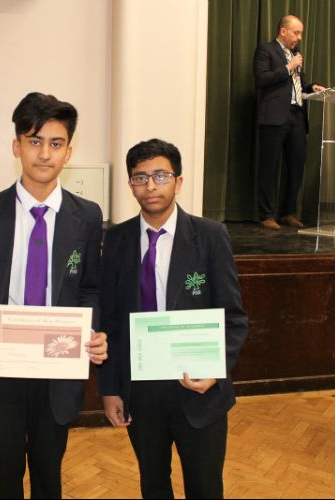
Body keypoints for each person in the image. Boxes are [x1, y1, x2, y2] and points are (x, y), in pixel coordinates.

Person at [0, 92, 108, 499]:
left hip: (57, 364)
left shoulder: (87, 216)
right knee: (4, 478)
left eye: (55, 143)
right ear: (16, 146)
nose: (44, 153)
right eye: (34, 141)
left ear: (68, 152)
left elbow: (90, 287)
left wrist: (92, 330)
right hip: (0, 364)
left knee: (48, 476)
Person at [98, 138, 248, 499]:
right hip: (141, 391)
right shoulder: (115, 241)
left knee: (205, 487)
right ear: (130, 184)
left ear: (178, 181)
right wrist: (110, 388)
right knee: (153, 485)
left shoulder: (210, 236)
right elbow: (110, 322)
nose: (151, 186)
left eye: (161, 176)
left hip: (198, 388)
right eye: (140, 177)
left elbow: (235, 318)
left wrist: (216, 369)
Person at [254, 14, 325, 230]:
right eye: (296, 33)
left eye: (300, 33)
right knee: (269, 167)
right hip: (274, 117)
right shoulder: (266, 50)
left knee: (296, 166)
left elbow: (296, 86)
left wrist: (310, 87)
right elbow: (262, 79)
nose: (299, 37)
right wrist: (288, 67)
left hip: (297, 116)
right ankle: (266, 214)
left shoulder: (295, 54)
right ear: (283, 31)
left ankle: (288, 212)